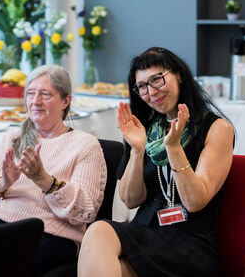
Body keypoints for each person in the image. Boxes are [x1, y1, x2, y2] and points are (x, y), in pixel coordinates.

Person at [78, 47, 234, 277]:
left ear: (179, 75)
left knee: (101, 231)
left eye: (157, 80)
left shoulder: (217, 128)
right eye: (142, 86)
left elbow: (195, 201)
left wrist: (173, 147)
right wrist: (138, 151)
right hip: (147, 234)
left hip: (189, 243)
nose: (151, 92)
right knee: (101, 249)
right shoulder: (148, 131)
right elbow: (131, 200)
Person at [0, 64, 107, 275]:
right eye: (30, 93)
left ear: (66, 101)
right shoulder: (12, 138)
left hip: (49, 232)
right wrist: (2, 184)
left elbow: (85, 211)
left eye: (45, 94)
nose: (35, 101)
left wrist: (44, 180)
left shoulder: (85, 144)